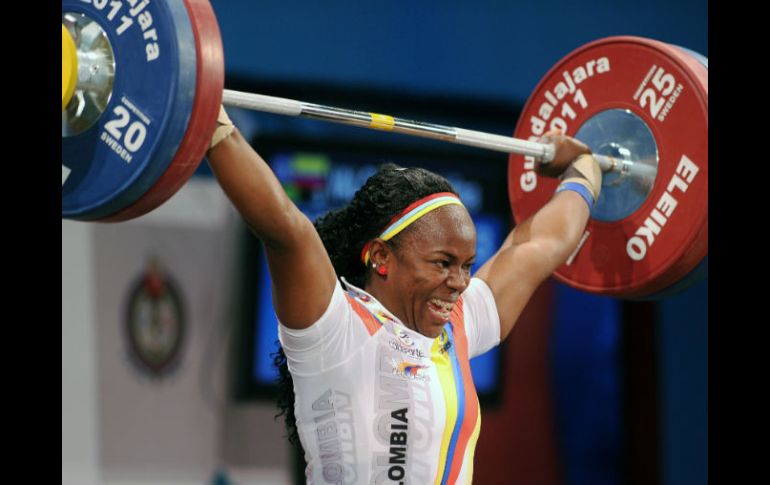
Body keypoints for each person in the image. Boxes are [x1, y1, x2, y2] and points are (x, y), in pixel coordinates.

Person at [206, 106, 601, 484]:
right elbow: (284, 227)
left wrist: (583, 167)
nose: (460, 282)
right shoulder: (335, 329)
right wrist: (209, 118)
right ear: (381, 257)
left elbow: (544, 243)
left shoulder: (458, 325)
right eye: (442, 263)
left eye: (466, 265)